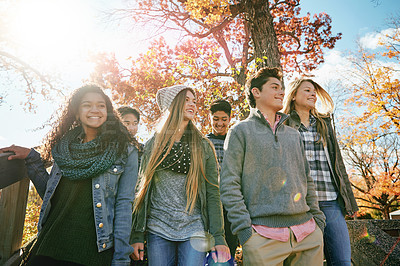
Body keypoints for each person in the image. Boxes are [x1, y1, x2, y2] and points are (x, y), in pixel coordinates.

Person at [0, 84, 139, 266]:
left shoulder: (125, 151)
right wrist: (33, 159)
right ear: (76, 113)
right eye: (87, 105)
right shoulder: (64, 148)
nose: (94, 110)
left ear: (109, 112)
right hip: (50, 243)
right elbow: (51, 195)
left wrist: (121, 258)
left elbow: (123, 205)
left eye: (101, 105)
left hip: (93, 251)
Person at [220, 67, 326, 265]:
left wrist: (317, 222)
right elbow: (229, 184)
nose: (281, 92)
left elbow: (306, 180)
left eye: (282, 88)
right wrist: (245, 232)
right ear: (256, 92)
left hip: (307, 234)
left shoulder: (294, 135)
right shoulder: (240, 131)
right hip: (262, 237)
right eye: (274, 87)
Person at [130, 85, 230, 266]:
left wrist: (219, 236)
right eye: (186, 100)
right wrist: (137, 233)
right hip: (158, 228)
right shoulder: (154, 144)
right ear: (173, 104)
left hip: (194, 229)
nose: (192, 104)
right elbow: (142, 190)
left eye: (194, 101)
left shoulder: (203, 146)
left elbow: (213, 194)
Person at [282, 78, 358, 266]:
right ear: (293, 96)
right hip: (301, 204)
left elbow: (338, 165)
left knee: (342, 260)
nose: (312, 94)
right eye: (307, 90)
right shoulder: (283, 124)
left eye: (314, 91)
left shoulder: (324, 123)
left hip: (331, 202)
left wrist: (350, 201)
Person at [206, 100, 238, 263]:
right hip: (209, 206)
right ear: (210, 118)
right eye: (216, 119)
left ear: (229, 119)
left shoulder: (235, 142)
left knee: (228, 251)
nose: (220, 123)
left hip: (230, 206)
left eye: (224, 119)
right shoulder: (204, 142)